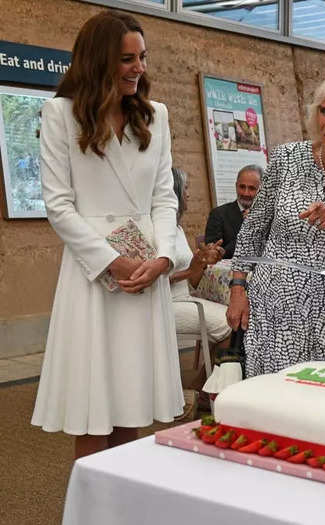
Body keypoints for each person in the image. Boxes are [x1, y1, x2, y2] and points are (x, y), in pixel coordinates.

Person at [31, 11, 183, 458]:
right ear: (98, 62)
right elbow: (59, 206)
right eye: (126, 59)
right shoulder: (61, 114)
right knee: (93, 406)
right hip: (94, 273)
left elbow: (164, 197)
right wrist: (113, 261)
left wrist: (163, 259)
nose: (139, 68)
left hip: (146, 270)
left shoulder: (157, 116)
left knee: (132, 399)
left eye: (143, 57)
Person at [226, 69, 325, 377]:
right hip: (276, 304)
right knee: (276, 401)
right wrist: (238, 288)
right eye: (324, 111)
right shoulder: (287, 157)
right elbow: (253, 229)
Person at [170, 168, 231, 356]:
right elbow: (155, 279)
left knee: (236, 314)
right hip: (168, 305)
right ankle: (208, 383)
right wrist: (191, 270)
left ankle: (208, 379)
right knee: (231, 323)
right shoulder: (157, 231)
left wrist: (203, 261)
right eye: (185, 188)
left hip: (186, 299)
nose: (188, 194)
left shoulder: (177, 228)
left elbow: (192, 279)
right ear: (173, 192)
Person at [204, 165, 262, 259]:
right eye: (242, 187)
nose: (245, 193)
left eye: (252, 188)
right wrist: (248, 228)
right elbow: (216, 256)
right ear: (236, 186)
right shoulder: (218, 215)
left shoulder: (271, 216)